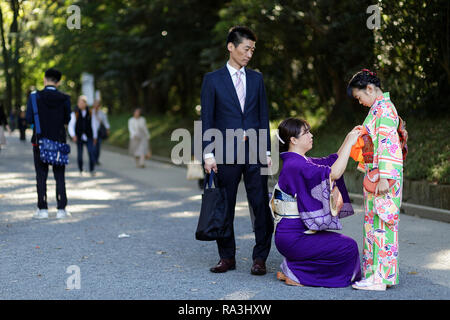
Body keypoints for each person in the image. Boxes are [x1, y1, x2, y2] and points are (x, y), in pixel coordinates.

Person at [201, 26, 273, 275]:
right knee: (225, 205)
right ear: (231, 47)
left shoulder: (256, 79)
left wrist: (267, 151)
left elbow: (264, 116)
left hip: (254, 150)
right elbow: (208, 119)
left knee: (260, 205)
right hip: (224, 152)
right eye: (246, 48)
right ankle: (226, 257)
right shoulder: (212, 80)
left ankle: (260, 258)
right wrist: (208, 154)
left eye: (253, 49)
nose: (250, 54)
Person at [273, 118, 362, 287]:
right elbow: (333, 173)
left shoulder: (298, 161)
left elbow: (332, 161)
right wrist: (350, 143)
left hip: (293, 235)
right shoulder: (295, 165)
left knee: (346, 246)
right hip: (294, 238)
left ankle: (295, 268)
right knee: (348, 248)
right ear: (293, 140)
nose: (311, 135)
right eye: (306, 133)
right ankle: (295, 272)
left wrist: (348, 138)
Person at [347, 69, 404, 291]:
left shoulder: (385, 110)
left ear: (369, 89)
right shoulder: (379, 109)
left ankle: (380, 277)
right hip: (377, 175)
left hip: (384, 178)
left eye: (360, 97)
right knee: (373, 225)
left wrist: (385, 177)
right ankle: (374, 274)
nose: (360, 102)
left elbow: (389, 145)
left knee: (382, 225)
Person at [25, 68, 72, 219]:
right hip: (58, 141)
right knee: (59, 175)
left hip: (39, 141)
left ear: (45, 80)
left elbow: (29, 119)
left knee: (41, 175)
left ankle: (43, 208)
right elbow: (67, 120)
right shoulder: (65, 98)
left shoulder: (34, 97)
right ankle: (61, 209)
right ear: (58, 82)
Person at [68, 95, 98, 176]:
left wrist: (95, 136)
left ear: (85, 103)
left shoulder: (91, 112)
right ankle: (80, 169)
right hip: (79, 136)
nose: (80, 104)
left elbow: (94, 124)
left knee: (91, 152)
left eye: (82, 103)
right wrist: (73, 135)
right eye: (79, 102)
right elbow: (71, 125)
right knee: (80, 154)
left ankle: (92, 169)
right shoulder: (75, 113)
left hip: (89, 135)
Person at [91, 99, 110, 165]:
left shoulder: (101, 113)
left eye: (98, 105)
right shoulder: (90, 112)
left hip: (99, 132)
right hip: (92, 132)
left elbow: (105, 122)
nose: (96, 106)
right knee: (93, 147)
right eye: (95, 104)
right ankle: (93, 160)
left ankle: (96, 159)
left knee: (98, 147)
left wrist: (107, 129)